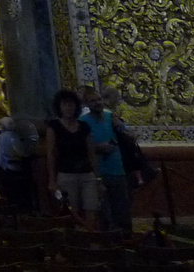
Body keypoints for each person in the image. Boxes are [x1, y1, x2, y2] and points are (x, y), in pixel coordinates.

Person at [83, 86, 132, 232]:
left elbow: (127, 135)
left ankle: (126, 240)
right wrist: (98, 147)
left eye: (99, 99)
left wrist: (124, 130)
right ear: (87, 104)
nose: (97, 103)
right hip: (98, 171)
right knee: (104, 212)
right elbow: (83, 147)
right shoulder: (83, 121)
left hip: (117, 169)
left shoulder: (111, 116)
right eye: (92, 101)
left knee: (122, 210)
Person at [46, 88, 100, 222]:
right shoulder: (54, 127)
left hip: (86, 173)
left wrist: (98, 177)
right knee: (71, 210)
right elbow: (51, 154)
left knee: (91, 207)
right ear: (59, 107)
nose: (68, 108)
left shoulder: (84, 126)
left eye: (71, 104)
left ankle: (92, 238)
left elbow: (91, 152)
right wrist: (52, 180)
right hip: (66, 173)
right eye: (64, 104)